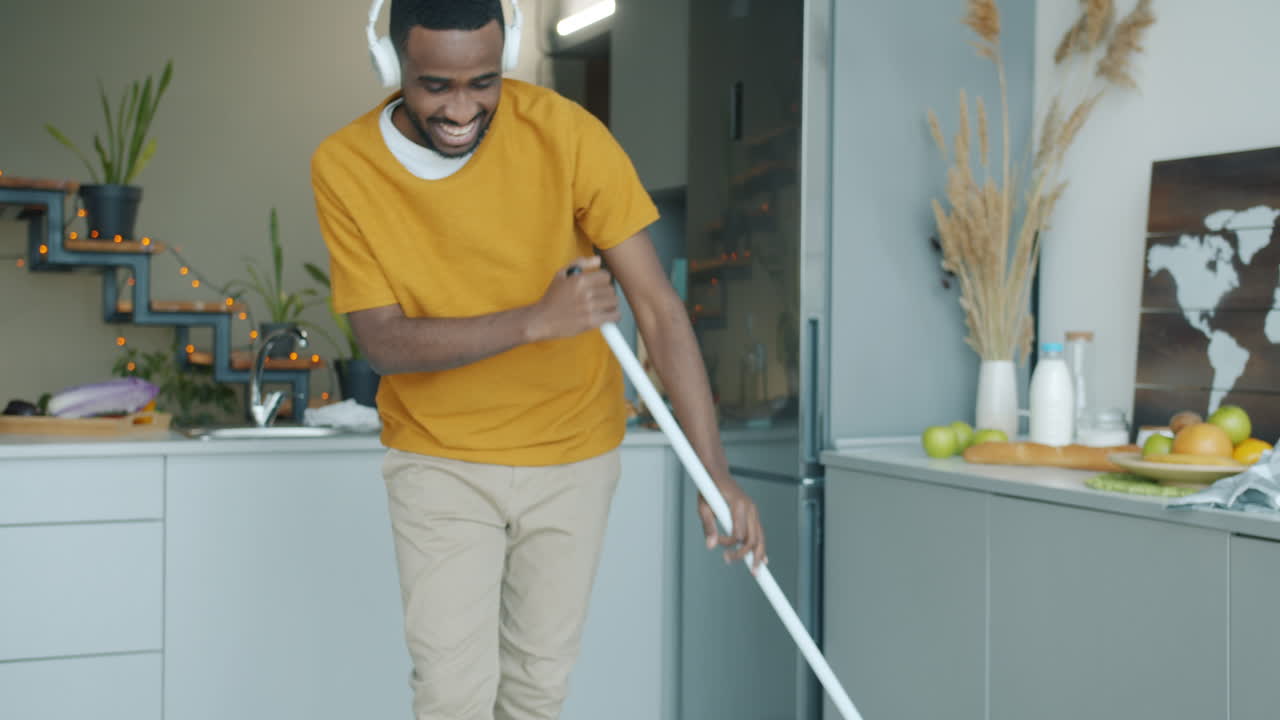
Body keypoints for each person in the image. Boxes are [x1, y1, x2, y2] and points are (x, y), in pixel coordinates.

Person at [310, 1, 766, 718]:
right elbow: (385, 343)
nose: (462, 109)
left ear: (508, 58)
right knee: (451, 696)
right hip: (440, 460)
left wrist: (716, 474)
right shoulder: (345, 166)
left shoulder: (565, 133)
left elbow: (658, 307)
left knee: (536, 690)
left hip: (574, 454)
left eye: (483, 82)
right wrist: (535, 321)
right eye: (435, 86)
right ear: (393, 65)